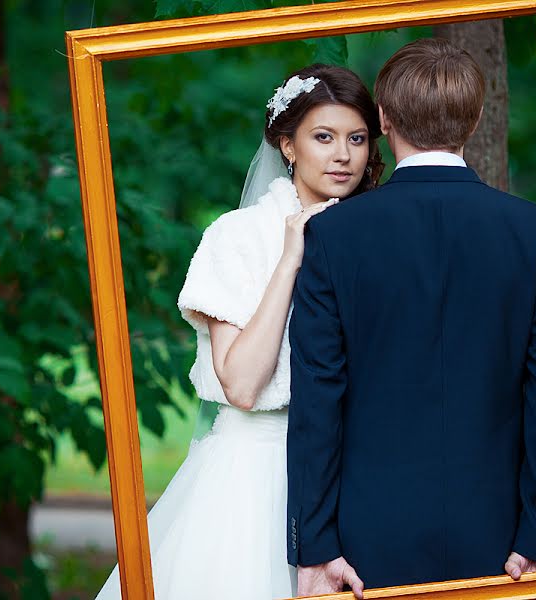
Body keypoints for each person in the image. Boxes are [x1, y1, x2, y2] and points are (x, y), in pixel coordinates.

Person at [287, 38, 536, 597]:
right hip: (500, 534)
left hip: (366, 533)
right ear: (473, 121)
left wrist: (316, 545)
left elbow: (318, 398)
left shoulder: (332, 235)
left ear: (383, 118)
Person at [94, 63, 383, 600]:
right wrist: (291, 258)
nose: (343, 155)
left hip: (356, 472)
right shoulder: (236, 237)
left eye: (357, 138)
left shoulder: (382, 235)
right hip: (255, 477)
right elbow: (243, 387)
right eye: (323, 137)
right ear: (287, 144)